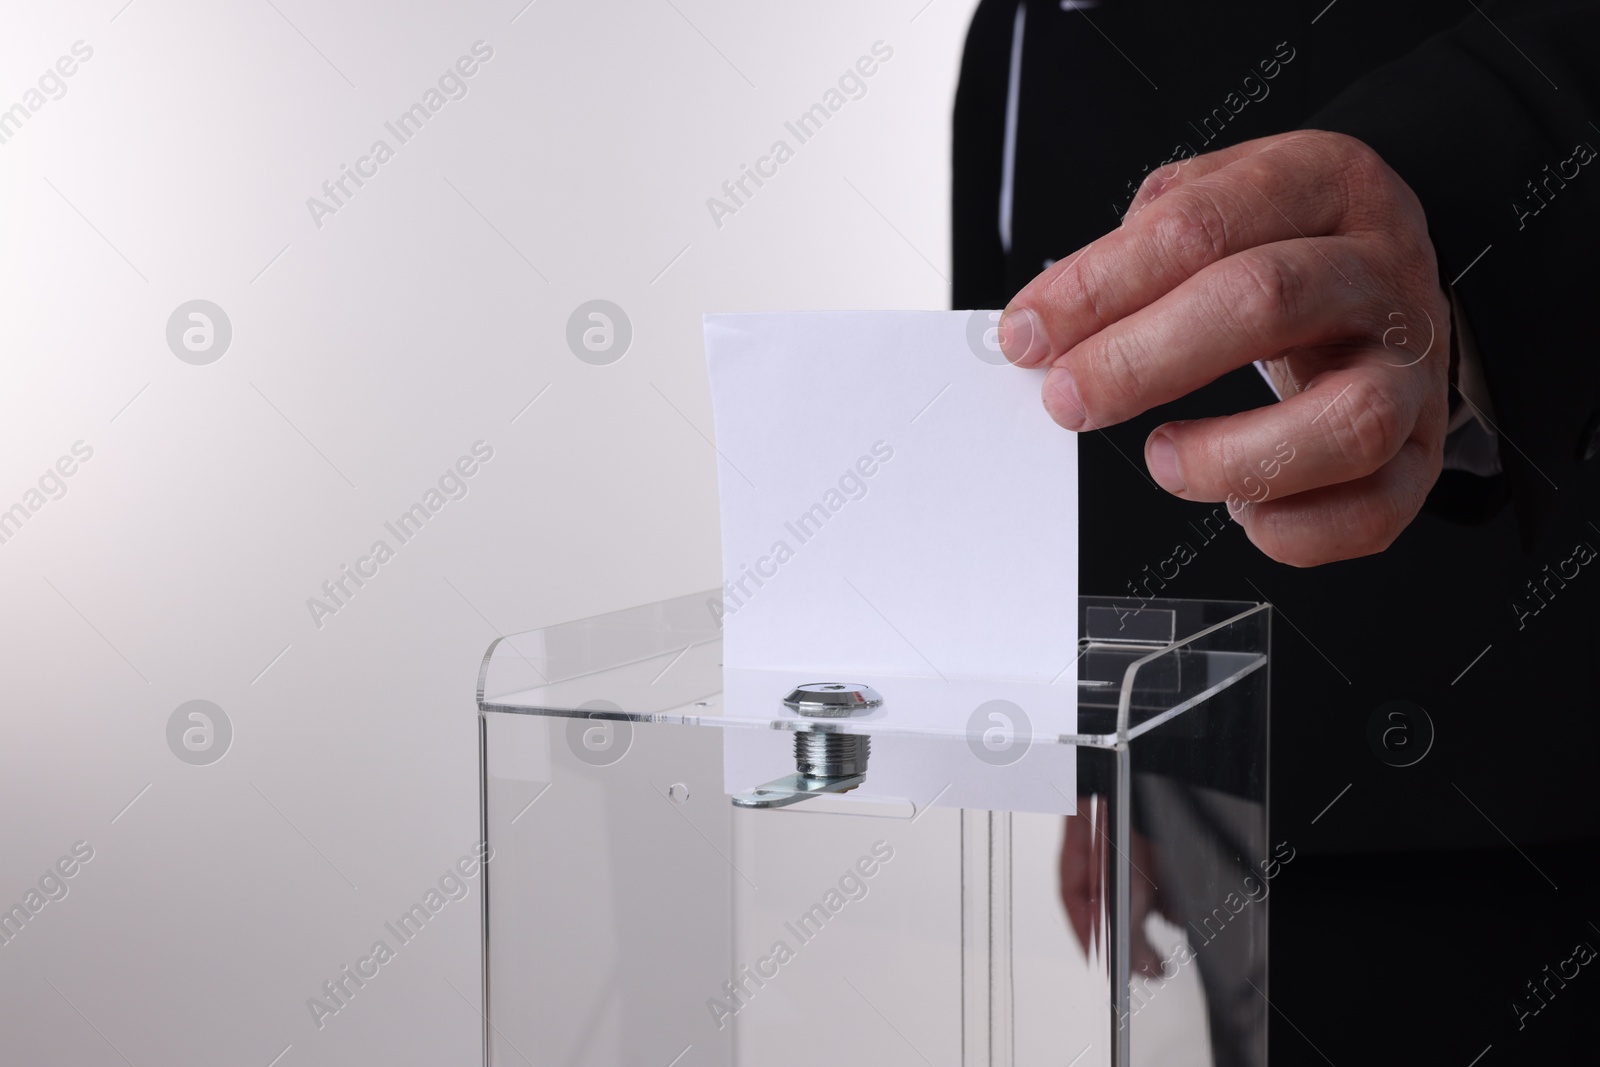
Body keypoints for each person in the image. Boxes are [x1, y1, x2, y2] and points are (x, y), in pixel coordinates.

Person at [952, 0, 1600, 1061]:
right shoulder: (1009, 32)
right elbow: (1014, 356)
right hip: (1195, 756)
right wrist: (1099, 758)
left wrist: (1444, 235)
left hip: (1495, 747)